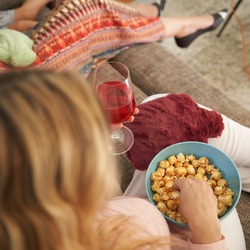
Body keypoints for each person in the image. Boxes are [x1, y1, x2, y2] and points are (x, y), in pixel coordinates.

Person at [0, 69, 247, 250]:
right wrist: (206, 229)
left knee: (157, 115)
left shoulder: (34, 221)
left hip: (140, 212)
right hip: (197, 235)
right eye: (88, 138)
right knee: (207, 146)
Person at [0, 0, 227, 75]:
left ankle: (163, 19)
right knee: (86, 9)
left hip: (14, 53)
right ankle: (178, 24)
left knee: (82, 10)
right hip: (21, 80)